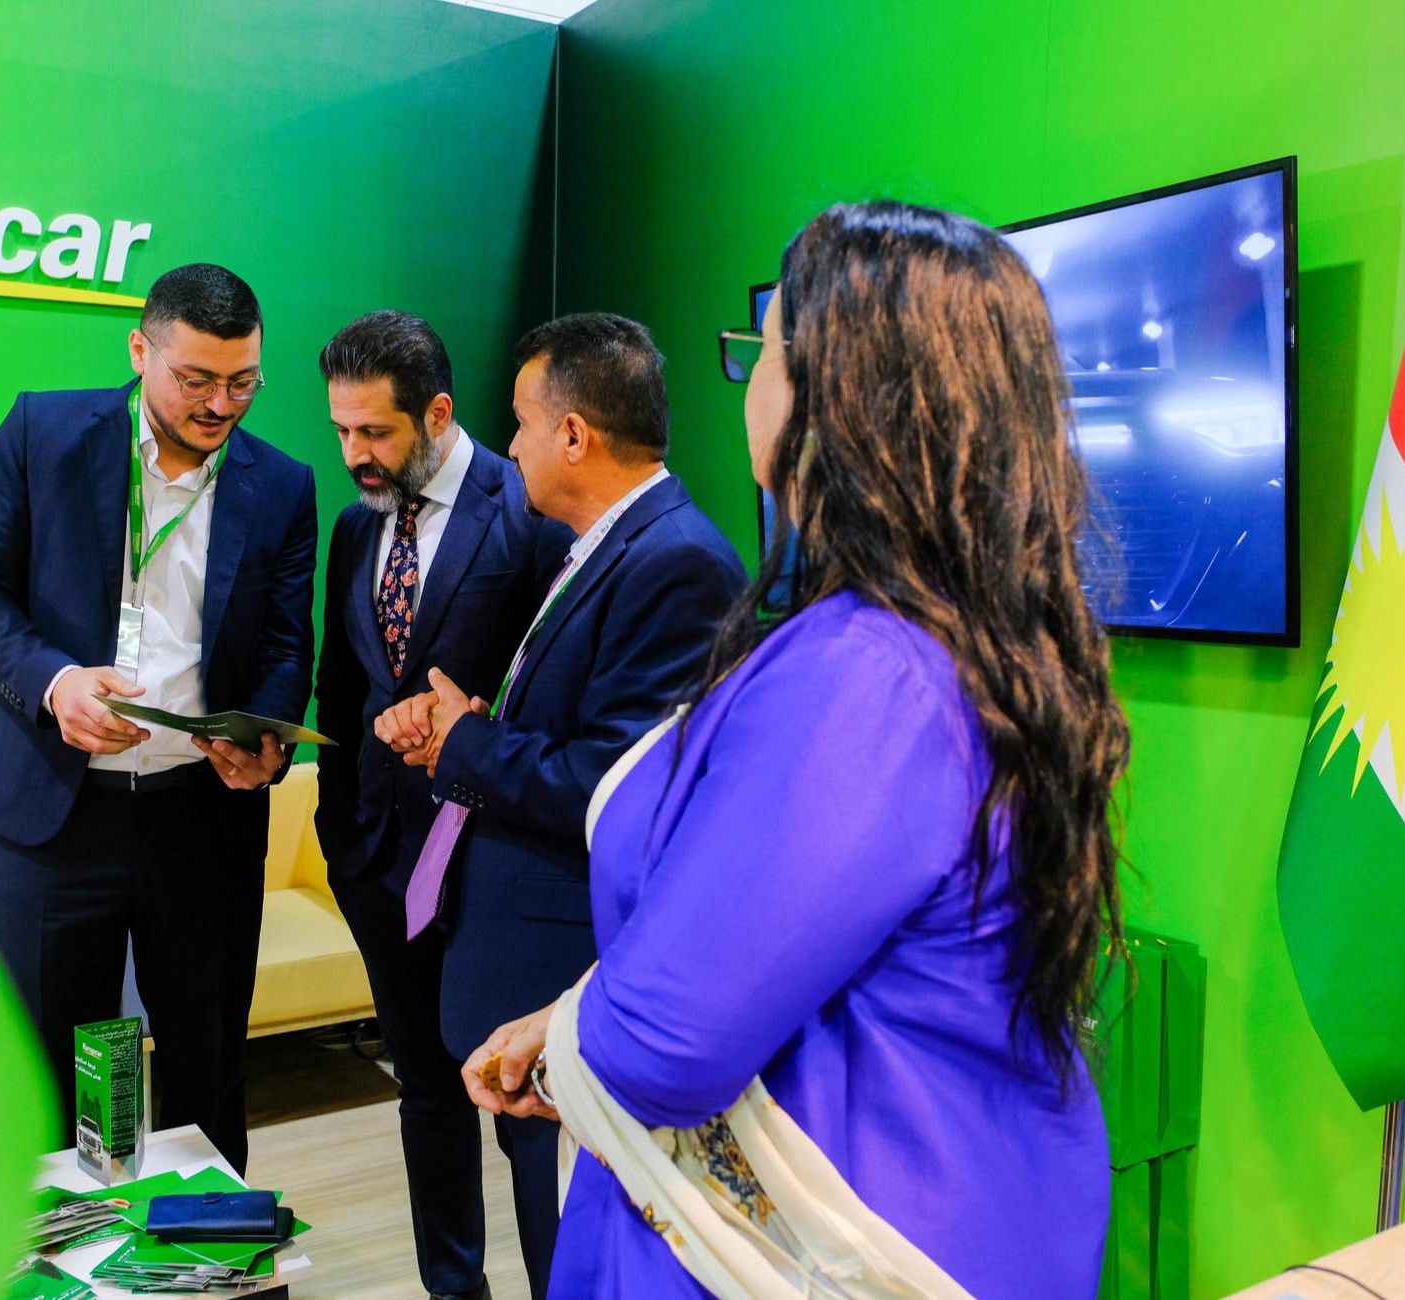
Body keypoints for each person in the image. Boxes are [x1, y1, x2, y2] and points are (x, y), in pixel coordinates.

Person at [459, 202, 1129, 1300]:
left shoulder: (866, 672)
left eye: (761, 349)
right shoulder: (955, 638)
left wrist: (582, 1035)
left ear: (836, 393)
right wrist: (569, 1023)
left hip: (807, 1232)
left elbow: (662, 1046)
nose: (749, 382)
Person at [376, 313, 746, 1300]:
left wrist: (462, 743)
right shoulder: (603, 545)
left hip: (571, 969)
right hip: (528, 965)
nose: (512, 447)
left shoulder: (675, 561)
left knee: (570, 1252)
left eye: (523, 423)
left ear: (574, 434)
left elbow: (612, 785)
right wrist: (471, 723)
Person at [0, 263, 317, 1173]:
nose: (220, 405)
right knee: (57, 1072)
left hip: (203, 821)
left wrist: (265, 738)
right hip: (57, 813)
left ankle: (204, 1243)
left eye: (244, 382)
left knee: (205, 1064)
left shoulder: (282, 483)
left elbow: (285, 646)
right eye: (196, 380)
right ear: (140, 350)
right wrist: (55, 682)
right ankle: (74, 1241)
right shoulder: (43, 433)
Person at [312, 310, 573, 1300]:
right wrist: (342, 836)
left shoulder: (529, 507)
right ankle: (452, 1290)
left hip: (493, 866)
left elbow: (553, 696)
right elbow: (343, 689)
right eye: (341, 430)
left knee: (524, 1108)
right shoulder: (355, 525)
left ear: (436, 413)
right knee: (424, 1091)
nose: (355, 453)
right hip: (382, 864)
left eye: (374, 431)